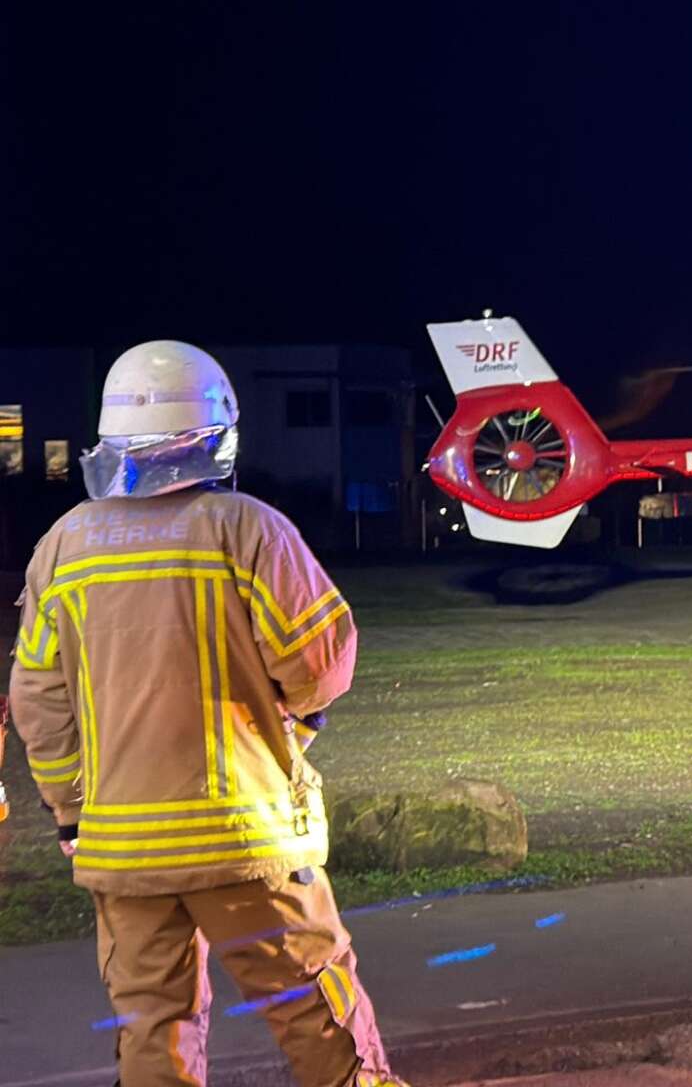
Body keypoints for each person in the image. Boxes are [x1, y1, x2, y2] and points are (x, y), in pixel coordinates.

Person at [7, 341, 400, 1086]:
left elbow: (39, 702)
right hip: (242, 837)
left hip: (121, 852)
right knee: (315, 1007)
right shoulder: (246, 528)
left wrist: (68, 813)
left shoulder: (64, 546)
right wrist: (290, 715)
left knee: (152, 1025)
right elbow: (320, 663)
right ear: (216, 432)